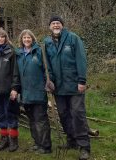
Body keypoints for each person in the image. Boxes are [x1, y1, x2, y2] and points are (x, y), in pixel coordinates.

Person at [43, 16, 91, 160]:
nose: (56, 25)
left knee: (77, 114)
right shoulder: (47, 42)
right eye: (53, 23)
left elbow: (81, 59)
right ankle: (72, 140)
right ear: (50, 26)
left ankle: (84, 146)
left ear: (62, 25)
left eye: (58, 23)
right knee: (63, 114)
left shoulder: (73, 39)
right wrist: (49, 81)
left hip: (75, 85)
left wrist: (82, 80)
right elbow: (47, 65)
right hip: (58, 87)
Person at [11, 29, 52, 154]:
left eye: (29, 38)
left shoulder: (39, 52)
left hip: (39, 92)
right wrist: (15, 89)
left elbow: (47, 71)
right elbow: (16, 75)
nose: (27, 40)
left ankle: (45, 146)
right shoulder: (18, 54)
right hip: (26, 94)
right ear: (21, 40)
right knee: (32, 120)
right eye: (24, 38)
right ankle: (37, 142)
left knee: (41, 120)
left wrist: (48, 88)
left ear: (32, 39)